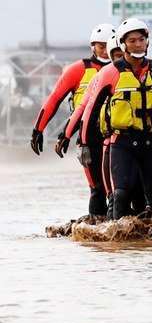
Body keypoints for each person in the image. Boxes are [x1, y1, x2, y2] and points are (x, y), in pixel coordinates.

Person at [78, 18, 152, 220]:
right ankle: (119, 246)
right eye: (132, 40)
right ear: (123, 44)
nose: (137, 44)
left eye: (141, 40)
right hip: (122, 144)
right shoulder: (110, 73)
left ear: (147, 42)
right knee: (121, 194)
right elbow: (90, 111)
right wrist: (85, 145)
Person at [30, 23, 115, 216]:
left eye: (108, 45)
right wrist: (38, 130)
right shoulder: (77, 69)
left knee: (120, 189)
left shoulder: (123, 69)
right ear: (92, 46)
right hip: (89, 137)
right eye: (100, 46)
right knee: (97, 189)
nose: (104, 50)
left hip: (117, 134)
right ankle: (98, 237)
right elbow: (54, 99)